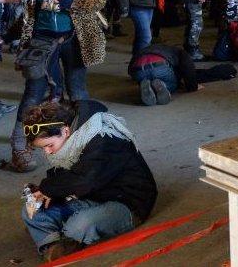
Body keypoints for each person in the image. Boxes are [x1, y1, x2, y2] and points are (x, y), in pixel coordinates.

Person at [11, 0, 107, 173]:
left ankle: (85, 142)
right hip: (40, 39)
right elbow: (27, 9)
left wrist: (71, 2)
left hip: (74, 38)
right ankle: (20, 146)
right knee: (34, 91)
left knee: (77, 89)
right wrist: (11, 33)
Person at [20, 100, 157, 262]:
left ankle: (55, 235)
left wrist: (49, 188)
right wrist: (46, 191)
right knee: (31, 209)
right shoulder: (72, 137)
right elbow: (68, 175)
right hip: (92, 196)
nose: (48, 152)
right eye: (43, 148)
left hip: (128, 202)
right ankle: (54, 246)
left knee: (78, 225)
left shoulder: (103, 138)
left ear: (65, 131)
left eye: (49, 145)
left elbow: (85, 180)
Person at [128, 44, 236, 106]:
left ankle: (148, 86)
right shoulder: (180, 52)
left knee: (148, 76)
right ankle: (162, 87)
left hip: (137, 68)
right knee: (173, 83)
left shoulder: (151, 49)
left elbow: (130, 70)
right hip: (160, 65)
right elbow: (188, 67)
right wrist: (192, 86)